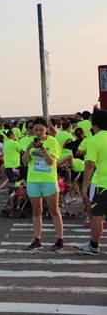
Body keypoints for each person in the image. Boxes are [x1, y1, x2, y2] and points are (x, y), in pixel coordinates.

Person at [21, 117, 63, 251]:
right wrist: (28, 149)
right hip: (33, 180)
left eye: (41, 129)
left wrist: (43, 149)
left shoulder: (53, 141)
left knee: (54, 210)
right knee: (37, 211)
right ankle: (37, 239)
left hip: (49, 180)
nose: (38, 132)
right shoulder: (28, 141)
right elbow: (24, 161)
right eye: (35, 130)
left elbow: (51, 162)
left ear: (46, 129)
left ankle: (60, 240)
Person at [77, 109, 107, 255]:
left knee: (97, 216)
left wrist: (84, 187)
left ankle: (93, 246)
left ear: (94, 124)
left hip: (102, 183)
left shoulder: (94, 140)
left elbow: (90, 165)